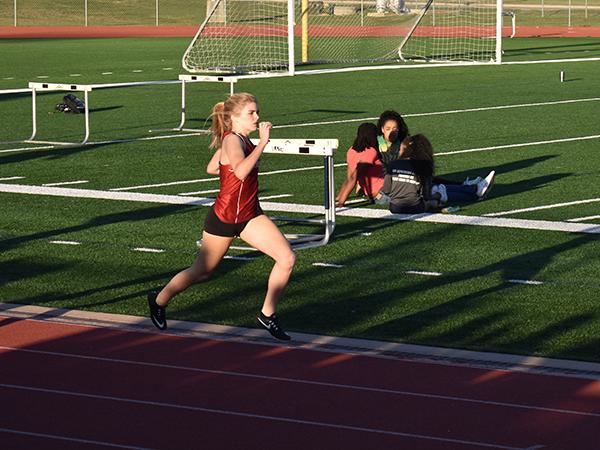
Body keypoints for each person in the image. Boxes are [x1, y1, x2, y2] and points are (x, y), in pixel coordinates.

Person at [147, 93, 296, 341]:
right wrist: (263, 143)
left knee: (287, 258)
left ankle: (266, 314)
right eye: (251, 113)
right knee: (202, 271)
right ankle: (159, 300)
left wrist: (229, 158)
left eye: (257, 111)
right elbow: (239, 172)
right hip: (225, 217)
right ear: (235, 118)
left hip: (250, 215)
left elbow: (212, 167)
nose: (257, 117)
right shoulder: (232, 142)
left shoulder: (237, 140)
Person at [382, 134, 495, 214]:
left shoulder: (393, 164)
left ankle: (473, 189)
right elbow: (426, 195)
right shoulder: (421, 167)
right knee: (437, 192)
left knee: (436, 189)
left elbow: (386, 190)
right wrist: (434, 199)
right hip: (417, 206)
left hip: (395, 208)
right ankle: (475, 191)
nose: (399, 151)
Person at [336, 123, 386, 207]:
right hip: (382, 194)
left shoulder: (351, 150)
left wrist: (339, 196)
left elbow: (349, 177)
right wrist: (341, 202)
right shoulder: (371, 152)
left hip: (374, 194)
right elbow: (354, 178)